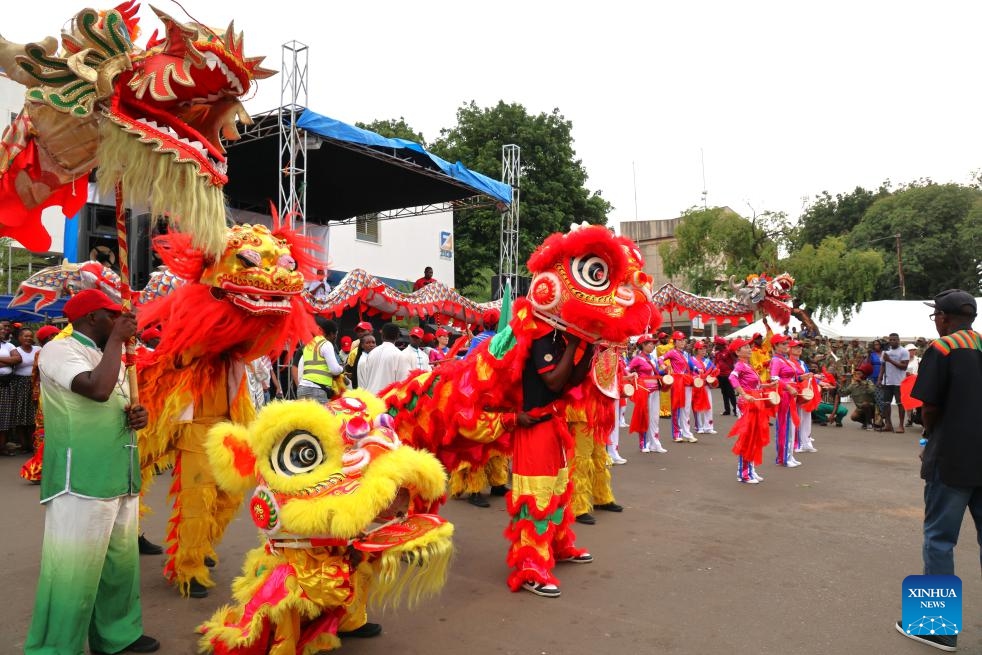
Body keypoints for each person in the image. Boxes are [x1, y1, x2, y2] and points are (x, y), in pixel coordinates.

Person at [24, 289, 158, 655]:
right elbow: (96, 390)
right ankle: (54, 647)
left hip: (121, 474)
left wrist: (136, 415)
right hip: (80, 478)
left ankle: (118, 635)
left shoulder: (107, 353)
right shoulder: (59, 350)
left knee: (120, 567)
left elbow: (112, 403)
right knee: (70, 571)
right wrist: (118, 340)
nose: (121, 321)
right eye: (113, 316)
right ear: (90, 318)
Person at [895, 289, 981, 652]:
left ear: (943, 318)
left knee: (940, 539)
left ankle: (938, 628)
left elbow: (928, 407)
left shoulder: (942, 349)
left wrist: (929, 435)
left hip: (952, 458)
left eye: (936, 317)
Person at [508, 329, 594, 598]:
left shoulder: (556, 339)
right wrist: (574, 346)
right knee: (536, 498)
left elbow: (571, 381)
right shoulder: (539, 337)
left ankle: (557, 545)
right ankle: (530, 567)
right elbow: (554, 382)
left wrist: (590, 346)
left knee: (557, 493)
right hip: (534, 429)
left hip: (553, 426)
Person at [728, 338, 771, 483]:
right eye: (745, 347)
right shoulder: (739, 366)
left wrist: (768, 385)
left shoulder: (748, 365)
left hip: (755, 401)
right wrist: (743, 393)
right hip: (747, 402)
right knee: (747, 437)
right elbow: (732, 378)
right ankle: (744, 473)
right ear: (737, 352)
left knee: (754, 436)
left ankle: (750, 469)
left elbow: (755, 385)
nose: (749, 348)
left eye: (748, 346)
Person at [626, 334, 667, 454]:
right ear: (643, 345)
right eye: (650, 343)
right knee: (644, 417)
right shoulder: (638, 358)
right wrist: (633, 376)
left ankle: (655, 443)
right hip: (644, 390)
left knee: (655, 418)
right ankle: (643, 443)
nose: (653, 345)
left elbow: (656, 372)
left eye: (653, 343)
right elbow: (627, 370)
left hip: (655, 389)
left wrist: (663, 371)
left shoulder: (653, 358)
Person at [769, 334, 801, 467]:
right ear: (775, 346)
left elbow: (793, 376)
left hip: (790, 394)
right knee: (784, 426)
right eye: (783, 344)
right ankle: (783, 458)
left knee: (790, 426)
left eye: (787, 343)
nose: (786, 346)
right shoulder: (776, 360)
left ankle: (789, 455)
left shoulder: (785, 359)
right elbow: (774, 378)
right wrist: (788, 387)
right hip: (784, 395)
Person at [296, 316, 345, 402]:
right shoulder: (326, 344)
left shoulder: (309, 344)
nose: (335, 338)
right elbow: (334, 370)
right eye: (335, 335)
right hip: (317, 390)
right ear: (331, 334)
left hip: (302, 389)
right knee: (321, 415)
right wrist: (342, 368)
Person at [659, 331, 696, 443]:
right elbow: (660, 359)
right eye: (679, 340)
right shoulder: (672, 352)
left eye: (683, 340)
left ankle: (687, 432)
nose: (682, 342)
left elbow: (691, 366)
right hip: (677, 381)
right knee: (676, 407)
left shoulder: (686, 354)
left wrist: (697, 369)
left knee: (686, 408)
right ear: (674, 342)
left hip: (687, 381)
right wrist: (664, 366)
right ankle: (676, 433)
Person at [10, 327, 39, 453]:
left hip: (35, 385)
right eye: (25, 336)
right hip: (20, 384)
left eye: (30, 336)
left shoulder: (38, 349)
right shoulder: (15, 351)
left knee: (34, 415)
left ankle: (33, 443)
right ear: (19, 338)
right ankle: (23, 444)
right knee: (20, 414)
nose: (28, 338)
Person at [877, 332, 910, 433]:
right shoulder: (885, 352)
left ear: (898, 340)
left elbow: (904, 367)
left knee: (900, 404)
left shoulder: (904, 351)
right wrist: (879, 378)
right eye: (890, 340)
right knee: (886, 403)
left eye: (894, 340)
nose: (892, 341)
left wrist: (890, 360)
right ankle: (888, 425)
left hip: (899, 382)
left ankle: (901, 426)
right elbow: (883, 366)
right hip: (887, 381)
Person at [360, 323, 404, 394]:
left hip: (370, 398)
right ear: (397, 336)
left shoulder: (371, 353)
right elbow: (402, 382)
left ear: (382, 335)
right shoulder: (400, 355)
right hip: (386, 400)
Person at [714, 336, 737, 416]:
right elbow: (715, 364)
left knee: (731, 393)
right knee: (724, 393)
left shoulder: (728, 351)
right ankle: (727, 410)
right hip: (720, 376)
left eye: (717, 344)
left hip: (728, 376)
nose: (716, 345)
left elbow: (735, 358)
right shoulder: (717, 354)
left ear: (721, 345)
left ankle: (736, 410)